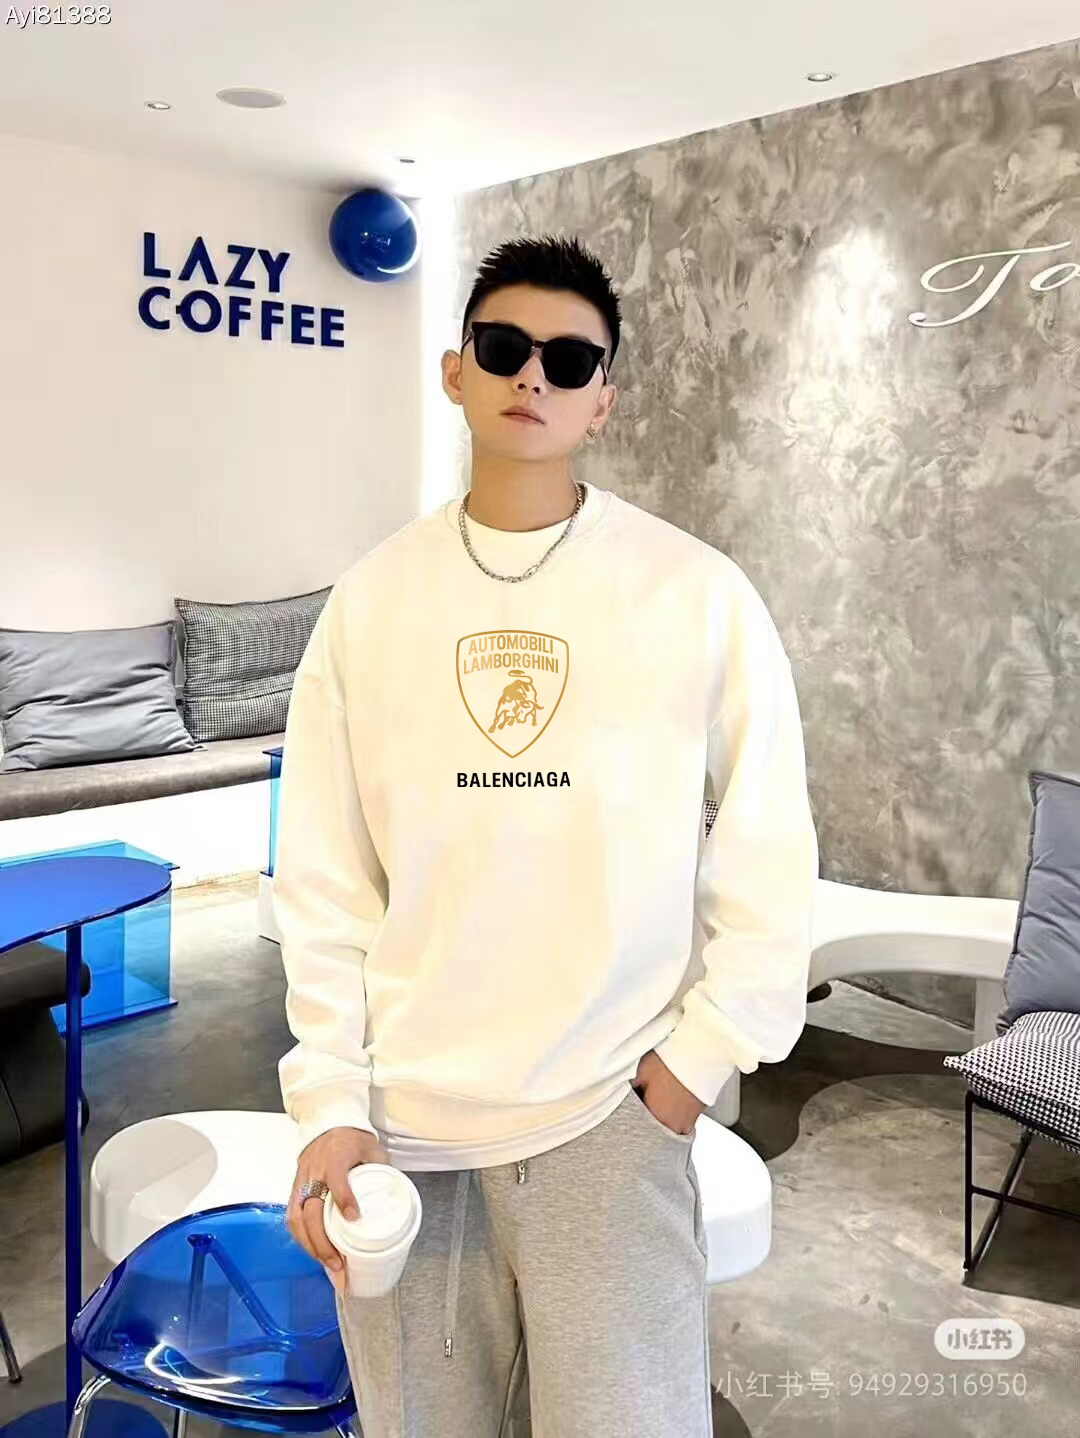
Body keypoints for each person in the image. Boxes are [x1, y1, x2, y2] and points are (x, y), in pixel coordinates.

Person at [273, 233, 820, 1437]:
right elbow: (321, 879)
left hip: (605, 1115)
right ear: (455, 370)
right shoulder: (371, 601)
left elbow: (772, 846)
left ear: (603, 400)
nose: (534, 374)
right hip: (402, 1129)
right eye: (504, 346)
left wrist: (697, 1064)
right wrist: (329, 1099)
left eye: (570, 360)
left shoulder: (693, 592)